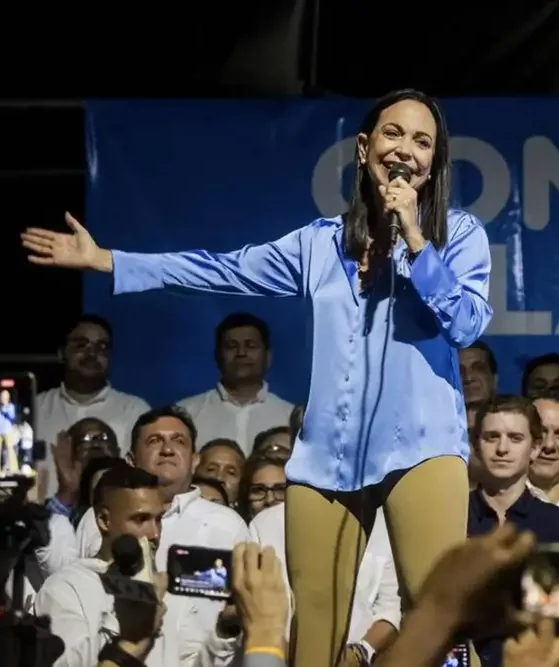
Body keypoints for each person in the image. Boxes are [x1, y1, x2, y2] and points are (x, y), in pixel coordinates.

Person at [21, 88, 492, 667]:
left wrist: (415, 240)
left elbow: (466, 323)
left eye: (423, 142)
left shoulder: (459, 235)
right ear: (365, 148)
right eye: (393, 134)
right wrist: (111, 260)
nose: (406, 150)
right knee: (315, 626)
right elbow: (223, 270)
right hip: (328, 459)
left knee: (437, 617)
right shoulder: (319, 243)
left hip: (423, 450)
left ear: (434, 163)